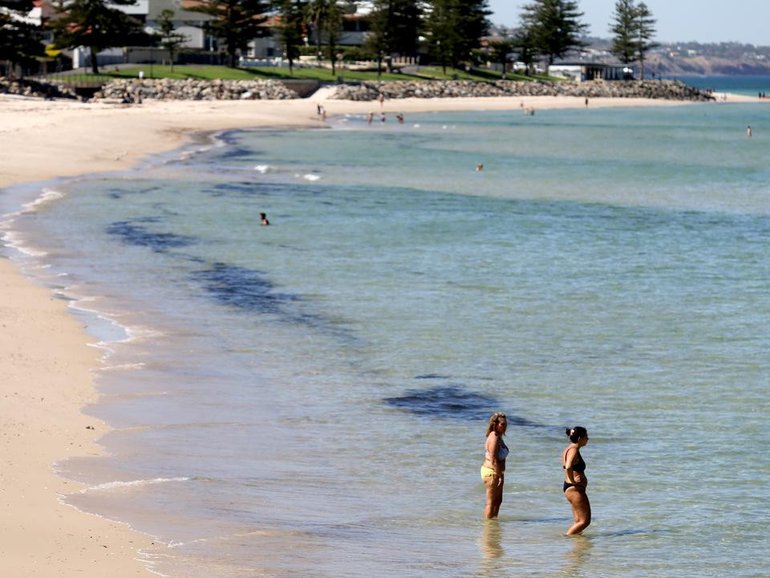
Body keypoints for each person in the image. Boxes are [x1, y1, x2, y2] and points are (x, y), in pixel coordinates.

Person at [562, 426, 591, 535]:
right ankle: (566, 538)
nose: (588, 439)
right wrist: (572, 480)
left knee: (578, 521)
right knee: (585, 521)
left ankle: (578, 548)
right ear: (579, 438)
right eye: (586, 437)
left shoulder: (569, 448)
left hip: (571, 488)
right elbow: (568, 466)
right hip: (575, 489)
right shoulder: (573, 449)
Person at [481, 412, 508, 518]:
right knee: (490, 503)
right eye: (502, 424)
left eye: (505, 424)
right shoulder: (494, 438)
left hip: (496, 472)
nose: (504, 427)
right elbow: (493, 459)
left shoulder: (498, 437)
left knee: (498, 501)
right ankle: (487, 528)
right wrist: (499, 475)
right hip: (492, 472)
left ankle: (493, 528)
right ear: (495, 424)